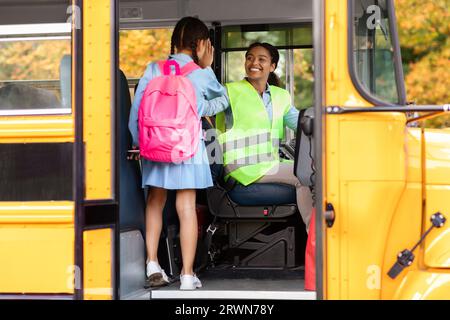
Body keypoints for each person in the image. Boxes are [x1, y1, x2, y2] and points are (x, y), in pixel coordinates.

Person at [128, 16, 228, 290]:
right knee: (186, 208)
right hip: (188, 148)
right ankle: (186, 275)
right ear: (200, 45)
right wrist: (201, 98)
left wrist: (140, 144)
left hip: (154, 145)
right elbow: (223, 101)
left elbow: (136, 112)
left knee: (155, 202)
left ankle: (152, 263)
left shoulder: (153, 69)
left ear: (174, 42)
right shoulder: (201, 73)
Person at [213, 42, 313, 231]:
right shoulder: (230, 92)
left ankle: (314, 236)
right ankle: (315, 239)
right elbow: (207, 108)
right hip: (241, 169)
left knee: (314, 173)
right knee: (304, 175)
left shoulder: (281, 96)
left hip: (268, 165)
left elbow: (303, 123)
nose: (254, 62)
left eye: (261, 59)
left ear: (272, 66)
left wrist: (328, 128)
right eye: (250, 58)